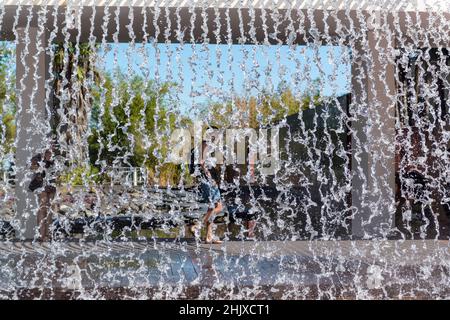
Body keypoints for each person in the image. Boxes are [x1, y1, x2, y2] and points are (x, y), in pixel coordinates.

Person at [190, 140, 223, 244]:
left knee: (211, 208)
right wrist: (209, 177)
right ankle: (198, 225)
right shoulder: (205, 144)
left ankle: (209, 236)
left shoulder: (203, 145)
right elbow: (201, 162)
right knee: (219, 207)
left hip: (205, 180)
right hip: (208, 181)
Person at [29, 148, 57, 241]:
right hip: (40, 184)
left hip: (51, 184)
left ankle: (49, 234)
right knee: (42, 208)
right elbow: (31, 167)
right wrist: (39, 168)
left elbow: (58, 172)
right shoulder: (38, 157)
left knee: (50, 209)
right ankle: (42, 235)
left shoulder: (56, 158)